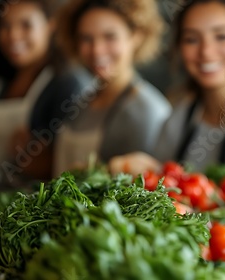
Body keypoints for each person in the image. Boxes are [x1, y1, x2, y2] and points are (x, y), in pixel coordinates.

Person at [109, 0, 225, 193]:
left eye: (221, 36)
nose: (206, 52)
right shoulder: (180, 115)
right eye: (191, 39)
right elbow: (159, 187)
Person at [53, 0, 171, 175]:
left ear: (136, 36)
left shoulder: (147, 110)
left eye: (110, 37)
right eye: (86, 38)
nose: (97, 50)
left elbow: (141, 190)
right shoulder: (84, 98)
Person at [0, 0, 91, 182]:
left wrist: (37, 160)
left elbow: (70, 165)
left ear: (50, 25)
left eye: (26, 25)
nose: (13, 35)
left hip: (29, 202)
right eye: (5, 25)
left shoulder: (67, 85)